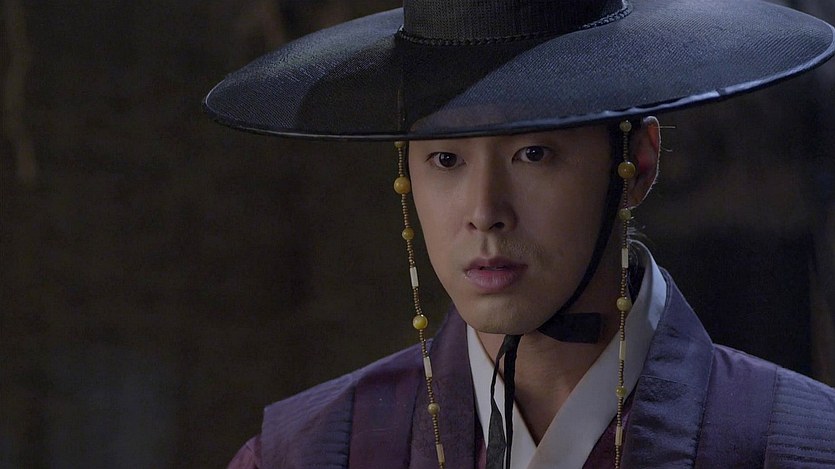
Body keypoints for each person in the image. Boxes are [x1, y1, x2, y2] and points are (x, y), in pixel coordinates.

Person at [204, 0, 835, 467]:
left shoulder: (799, 443)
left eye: (534, 154)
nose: (485, 211)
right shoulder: (305, 451)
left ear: (638, 162)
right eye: (445, 159)